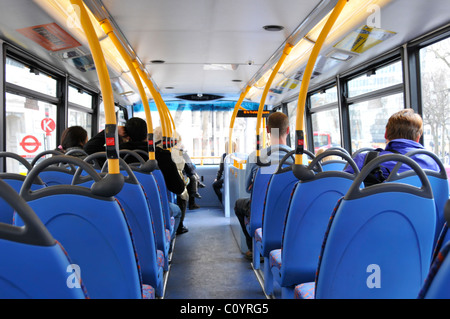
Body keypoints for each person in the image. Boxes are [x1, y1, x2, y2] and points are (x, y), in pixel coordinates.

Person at [84, 118, 185, 236]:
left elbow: (89, 148)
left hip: (119, 207)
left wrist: (113, 131)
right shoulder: (161, 156)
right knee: (176, 211)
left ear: (126, 134)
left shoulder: (114, 155)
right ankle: (165, 243)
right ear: (147, 134)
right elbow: (178, 188)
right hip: (153, 208)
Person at [234, 112, 292, 260]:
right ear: (289, 130)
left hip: (263, 209)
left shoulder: (257, 157)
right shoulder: (300, 158)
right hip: (291, 208)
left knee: (239, 204)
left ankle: (253, 248)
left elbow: (248, 188)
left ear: (267, 130)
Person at [344, 108, 439, 180]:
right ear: (418, 138)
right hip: (421, 207)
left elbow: (341, 191)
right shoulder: (434, 163)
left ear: (386, 134)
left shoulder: (364, 160)